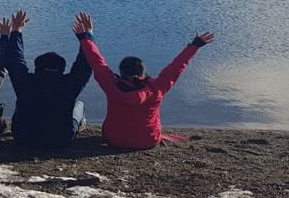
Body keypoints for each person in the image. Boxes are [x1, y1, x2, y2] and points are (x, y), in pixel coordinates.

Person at [74, 12, 214, 150]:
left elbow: (96, 61)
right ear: (143, 72)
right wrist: (195, 46)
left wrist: (86, 37)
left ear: (121, 72)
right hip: (148, 140)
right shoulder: (156, 87)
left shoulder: (112, 85)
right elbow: (177, 66)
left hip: (114, 140)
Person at [1, 10, 92, 149]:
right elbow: (85, 64)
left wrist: (16, 32)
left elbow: (15, 60)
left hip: (24, 137)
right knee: (79, 105)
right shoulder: (69, 84)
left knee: (21, 103)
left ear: (38, 68)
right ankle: (80, 124)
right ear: (61, 69)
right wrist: (86, 37)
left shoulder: (25, 81)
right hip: (60, 139)